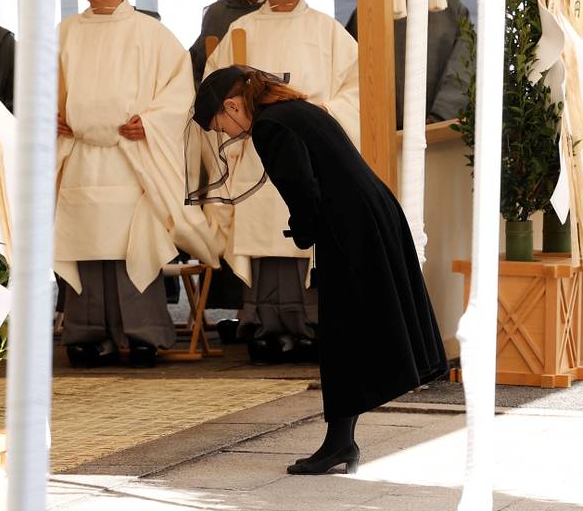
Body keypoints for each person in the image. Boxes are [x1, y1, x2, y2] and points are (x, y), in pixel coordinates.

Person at [189, 65, 447, 474]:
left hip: (351, 226)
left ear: (233, 105)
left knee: (343, 332)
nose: (223, 133)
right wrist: (309, 227)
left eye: (219, 124)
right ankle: (340, 442)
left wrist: (305, 230)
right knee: (345, 331)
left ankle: (339, 444)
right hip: (367, 214)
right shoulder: (295, 109)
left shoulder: (270, 126)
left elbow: (302, 188)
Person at [55, 0, 216, 368]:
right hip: (83, 156)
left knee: (134, 244)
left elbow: (180, 92)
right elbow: (45, 88)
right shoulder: (65, 33)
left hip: (132, 159)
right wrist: (53, 115)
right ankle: (88, 335)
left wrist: (152, 121)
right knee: (84, 246)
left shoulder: (153, 35)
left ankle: (143, 333)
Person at [203, 0, 360, 364]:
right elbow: (214, 86)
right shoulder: (242, 31)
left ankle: (309, 326)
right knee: (262, 236)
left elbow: (359, 85)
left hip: (307, 151)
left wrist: (327, 110)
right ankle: (264, 326)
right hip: (256, 153)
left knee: (303, 235)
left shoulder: (327, 31)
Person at [344, 0, 473, 128]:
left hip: (439, 129)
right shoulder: (368, 11)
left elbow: (463, 68)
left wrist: (440, 116)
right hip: (382, 131)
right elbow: (352, 74)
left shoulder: (452, 9)